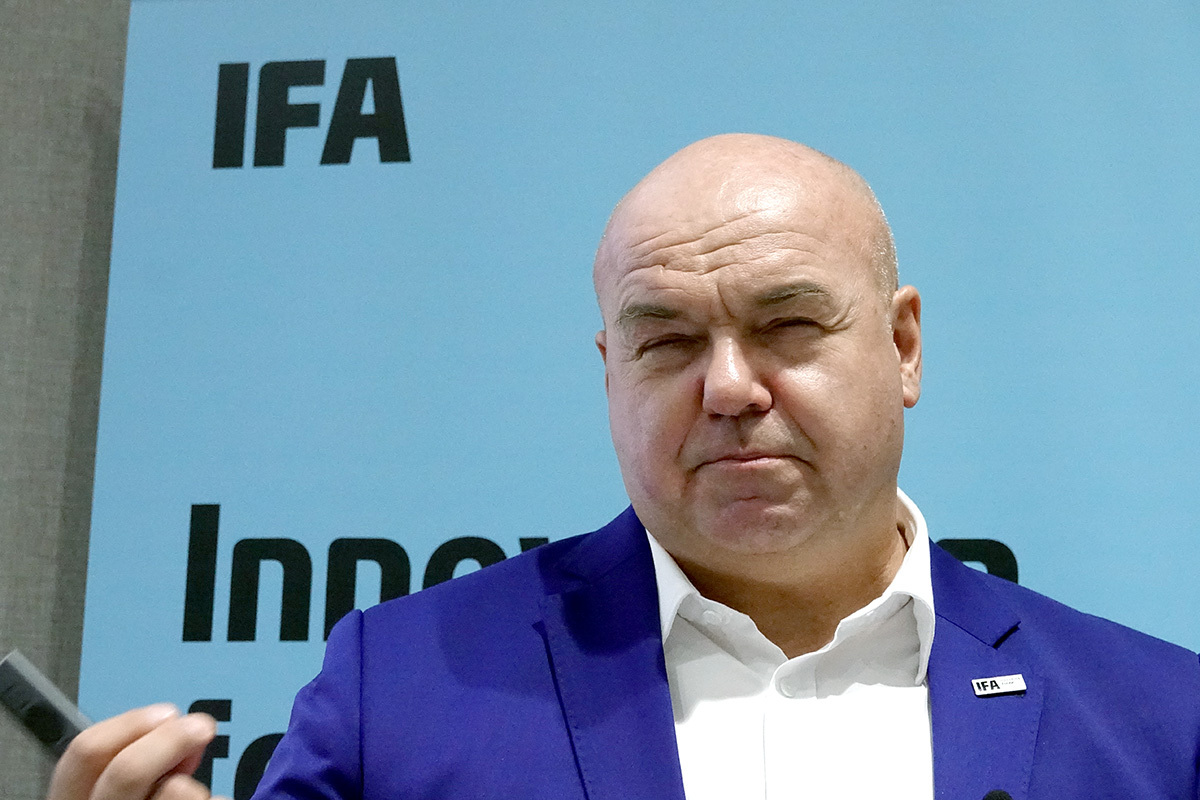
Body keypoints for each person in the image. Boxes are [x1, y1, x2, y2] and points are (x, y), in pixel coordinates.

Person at [47, 135, 1200, 800]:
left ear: (902, 346)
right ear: (610, 370)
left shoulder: (1160, 721)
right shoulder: (394, 690)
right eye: (668, 340)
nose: (730, 385)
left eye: (788, 324)